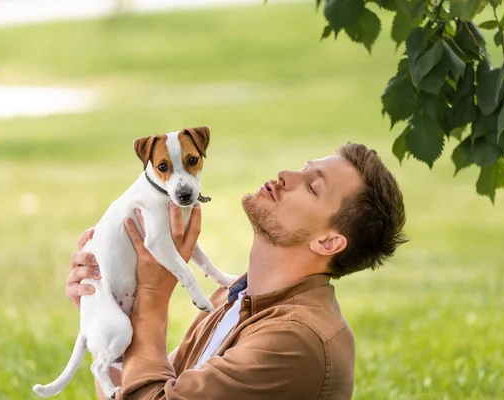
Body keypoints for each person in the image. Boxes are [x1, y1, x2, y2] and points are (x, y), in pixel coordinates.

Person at [66, 143, 407, 400]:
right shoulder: (234, 298)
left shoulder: (298, 342)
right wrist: (109, 306)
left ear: (328, 242)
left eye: (312, 186)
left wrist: (151, 299)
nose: (288, 175)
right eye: (304, 168)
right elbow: (138, 386)